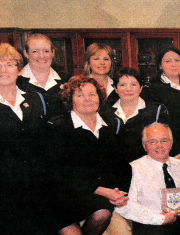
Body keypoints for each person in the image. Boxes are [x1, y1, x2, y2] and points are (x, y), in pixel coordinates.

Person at [0, 43, 51, 234]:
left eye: (10, 64)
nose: (3, 70)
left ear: (19, 70)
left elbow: (45, 143)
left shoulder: (35, 100)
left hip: (36, 187)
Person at [47, 76, 131, 235]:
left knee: (102, 213)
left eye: (92, 94)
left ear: (100, 98)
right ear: (70, 100)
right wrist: (104, 191)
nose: (87, 99)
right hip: (63, 197)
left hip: (95, 198)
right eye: (80, 95)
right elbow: (60, 173)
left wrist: (119, 193)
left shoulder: (111, 125)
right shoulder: (57, 126)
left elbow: (121, 165)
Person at [115, 123, 180, 235]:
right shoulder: (133, 169)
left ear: (171, 144)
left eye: (164, 141)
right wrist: (159, 219)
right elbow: (125, 206)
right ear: (144, 146)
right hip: (151, 226)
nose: (159, 146)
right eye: (153, 142)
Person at [110, 67, 169, 162]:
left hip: (147, 168)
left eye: (133, 85)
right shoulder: (106, 112)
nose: (128, 89)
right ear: (115, 89)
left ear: (141, 88)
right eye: (123, 85)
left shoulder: (156, 111)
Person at [18, 33, 70, 118]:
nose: (41, 56)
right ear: (26, 53)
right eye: (35, 51)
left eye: (46, 51)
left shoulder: (66, 81)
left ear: (53, 53)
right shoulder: (16, 82)